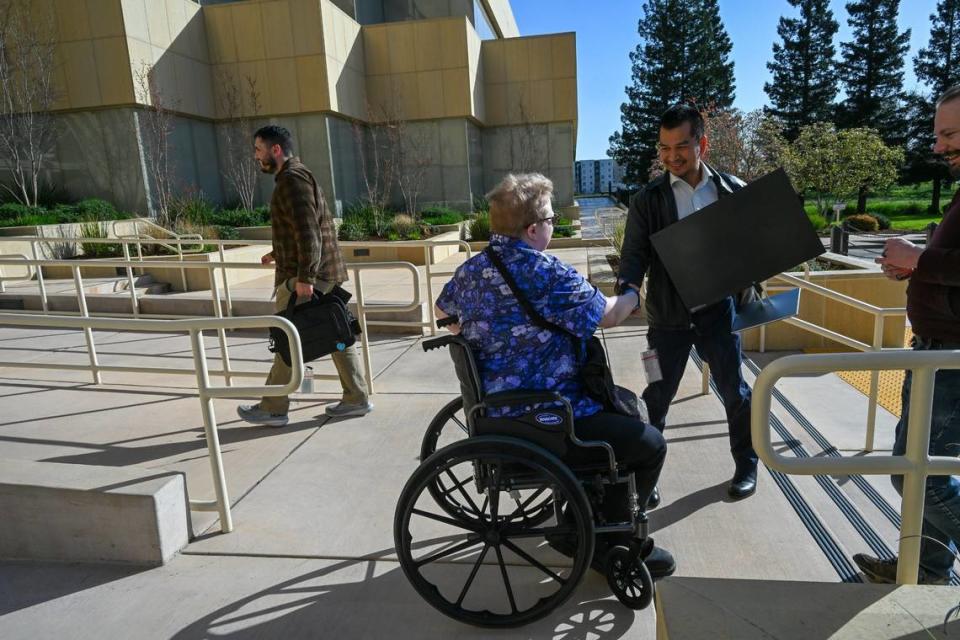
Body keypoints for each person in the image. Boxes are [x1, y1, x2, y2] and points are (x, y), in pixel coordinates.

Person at [435, 172, 674, 577]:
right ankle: (609, 542)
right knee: (649, 443)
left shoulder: (471, 270)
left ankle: (584, 516)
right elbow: (612, 315)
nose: (552, 225)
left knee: (624, 410)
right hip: (549, 415)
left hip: (493, 412)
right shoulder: (547, 273)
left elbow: (444, 313)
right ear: (532, 230)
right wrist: (634, 289)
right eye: (549, 220)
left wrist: (491, 334)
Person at [617, 103, 758, 502]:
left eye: (681, 146)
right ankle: (646, 476)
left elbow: (752, 247)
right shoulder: (648, 199)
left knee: (736, 393)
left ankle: (746, 465)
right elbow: (633, 253)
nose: (672, 156)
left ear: (703, 143)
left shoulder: (732, 190)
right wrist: (628, 289)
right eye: (664, 148)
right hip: (667, 320)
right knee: (656, 399)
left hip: (719, 314)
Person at [853, 86, 960, 586]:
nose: (938, 147)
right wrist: (915, 266)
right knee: (918, 465)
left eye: (950, 134)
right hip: (933, 354)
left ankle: (927, 568)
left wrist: (919, 260)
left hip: (950, 361)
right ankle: (927, 570)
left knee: (919, 473)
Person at [237, 125, 371, 427]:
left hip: (308, 275)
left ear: (276, 150)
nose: (255, 156)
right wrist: (278, 252)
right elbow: (301, 228)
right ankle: (356, 397)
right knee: (337, 333)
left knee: (288, 337)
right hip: (319, 271)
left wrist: (306, 278)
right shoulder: (298, 174)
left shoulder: (291, 180)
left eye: (258, 149)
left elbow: (309, 230)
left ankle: (273, 407)